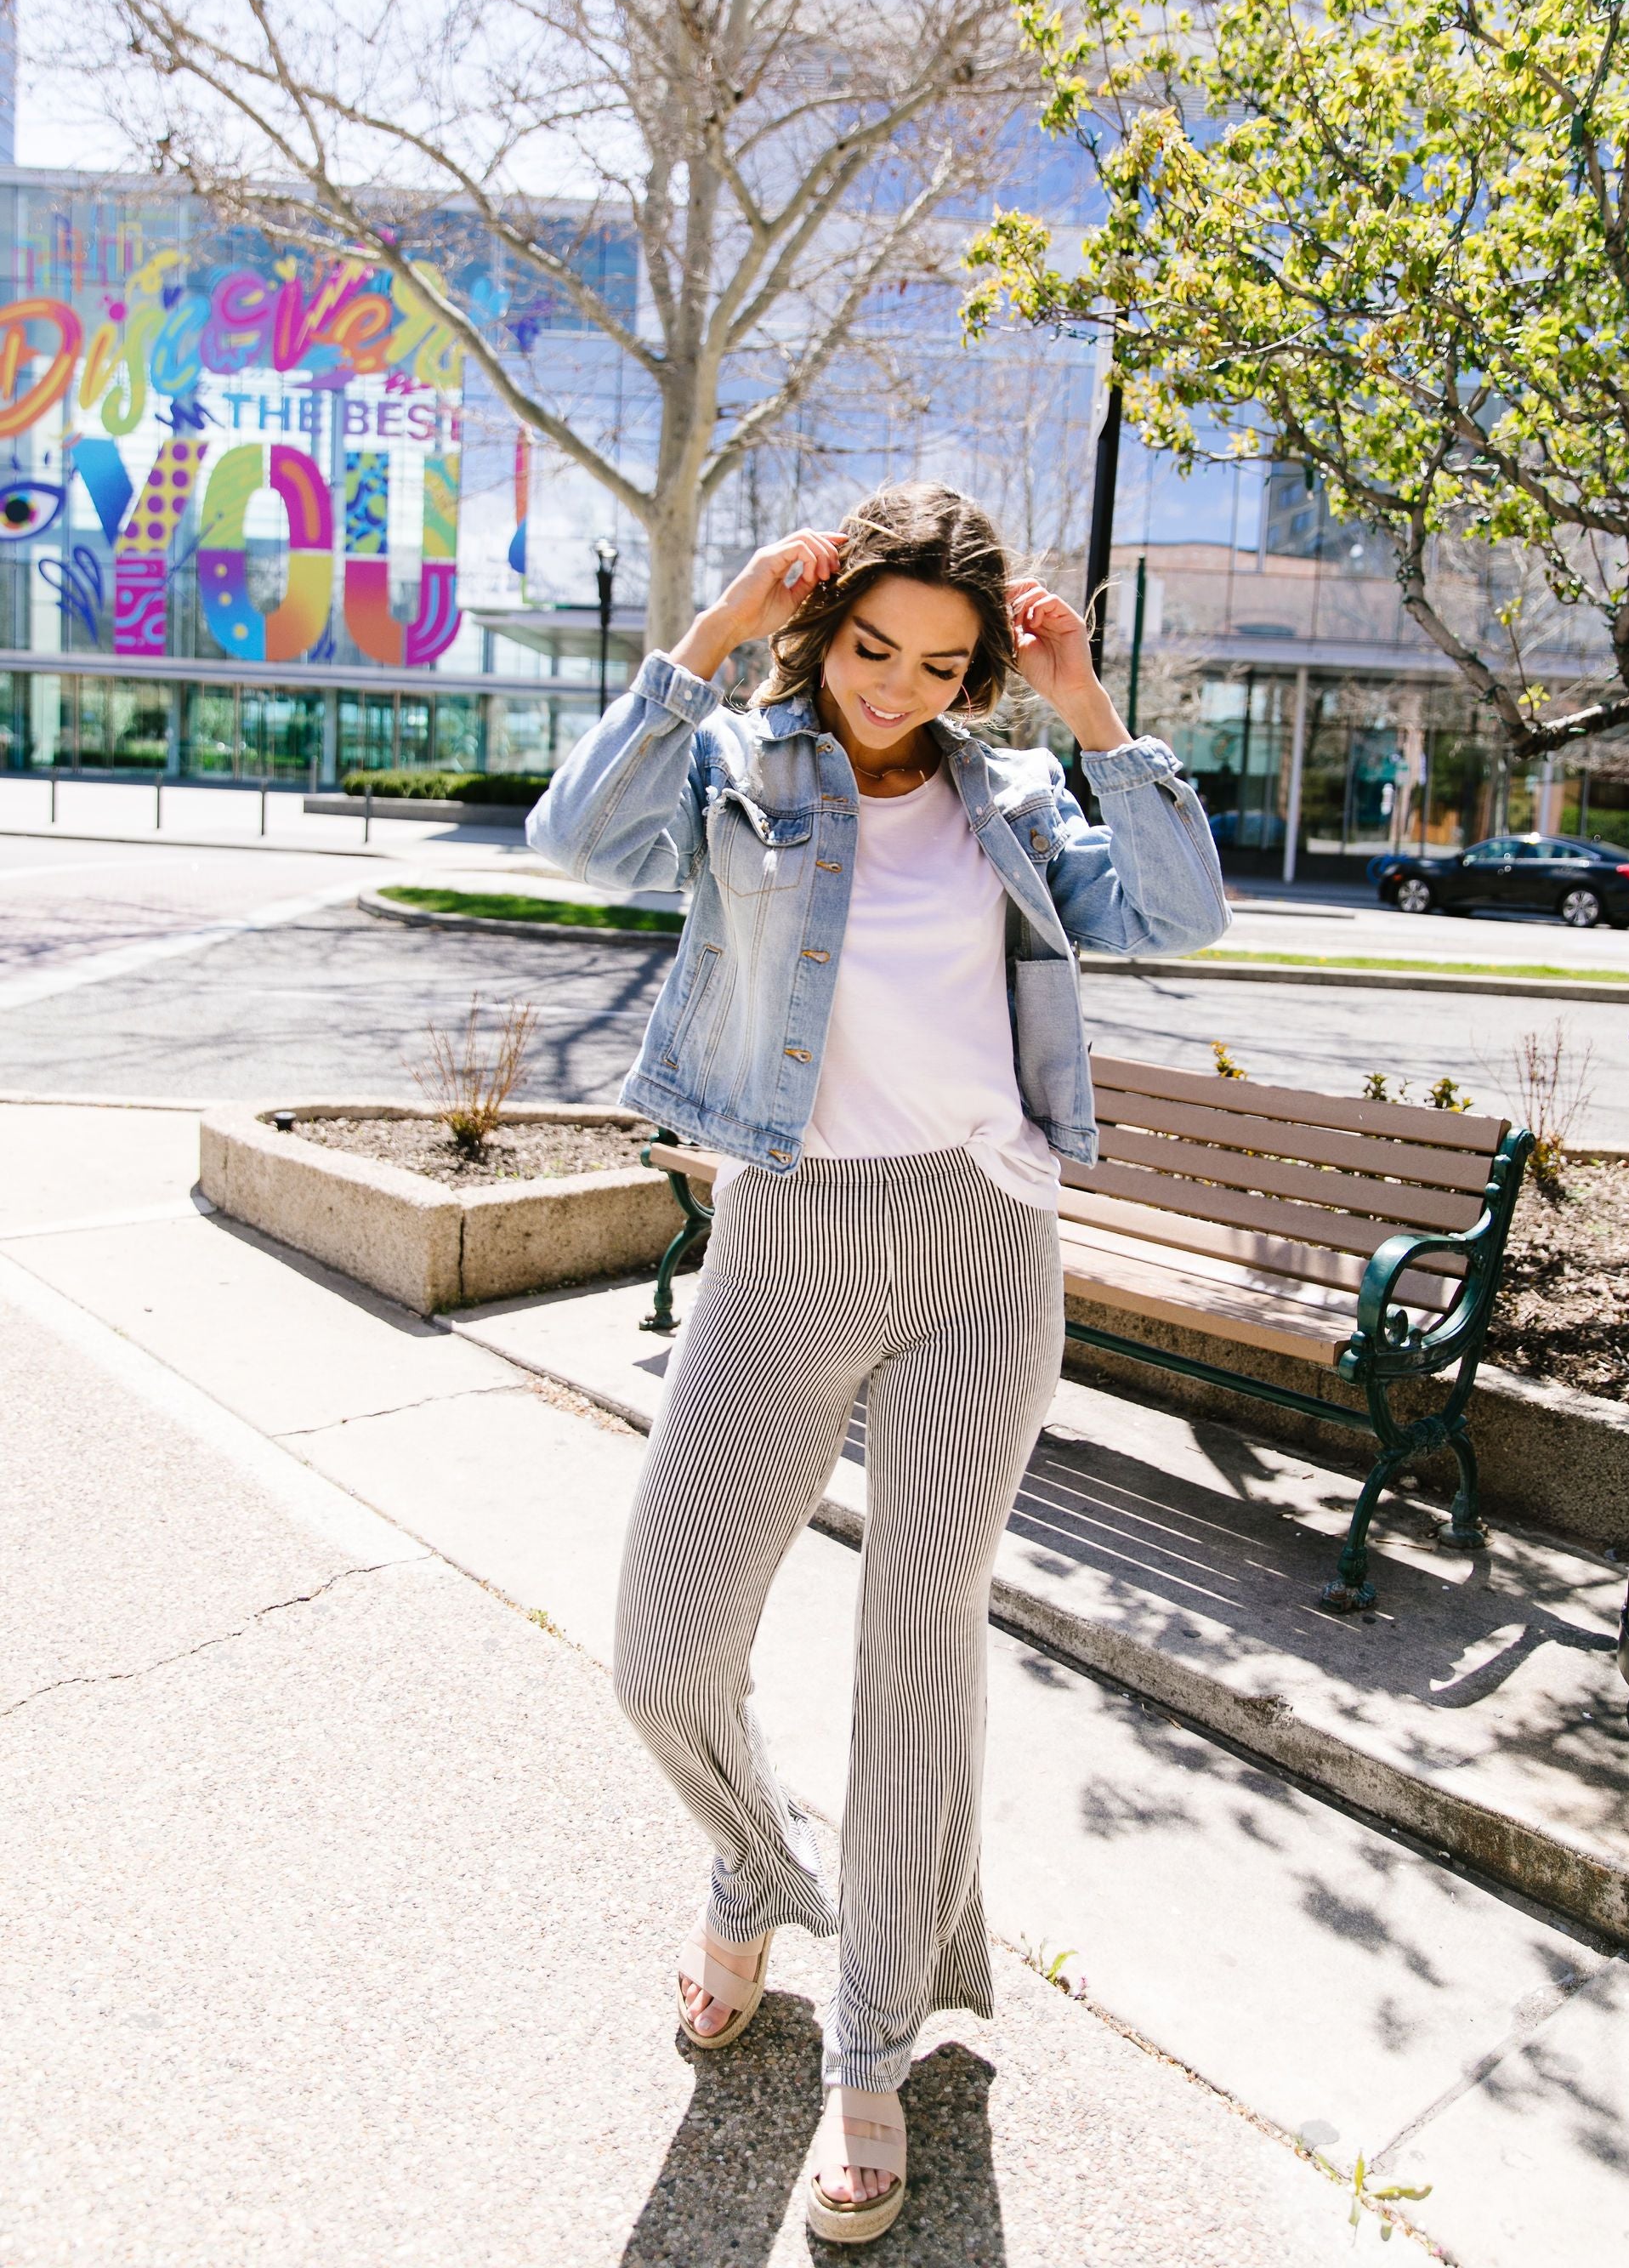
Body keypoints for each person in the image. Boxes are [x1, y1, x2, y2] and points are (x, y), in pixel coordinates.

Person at [527, 482, 1228, 2243]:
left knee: (921, 1644)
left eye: (939, 661)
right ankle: (757, 1865)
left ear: (979, 665)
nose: (896, 687)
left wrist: (1084, 704)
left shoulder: (1012, 794)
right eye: (866, 647)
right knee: (665, 1649)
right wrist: (710, 631)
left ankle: (871, 2042)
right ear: (817, 631)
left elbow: (1179, 915)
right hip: (793, 1236)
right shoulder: (746, 773)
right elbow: (577, 842)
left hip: (984, 1248)